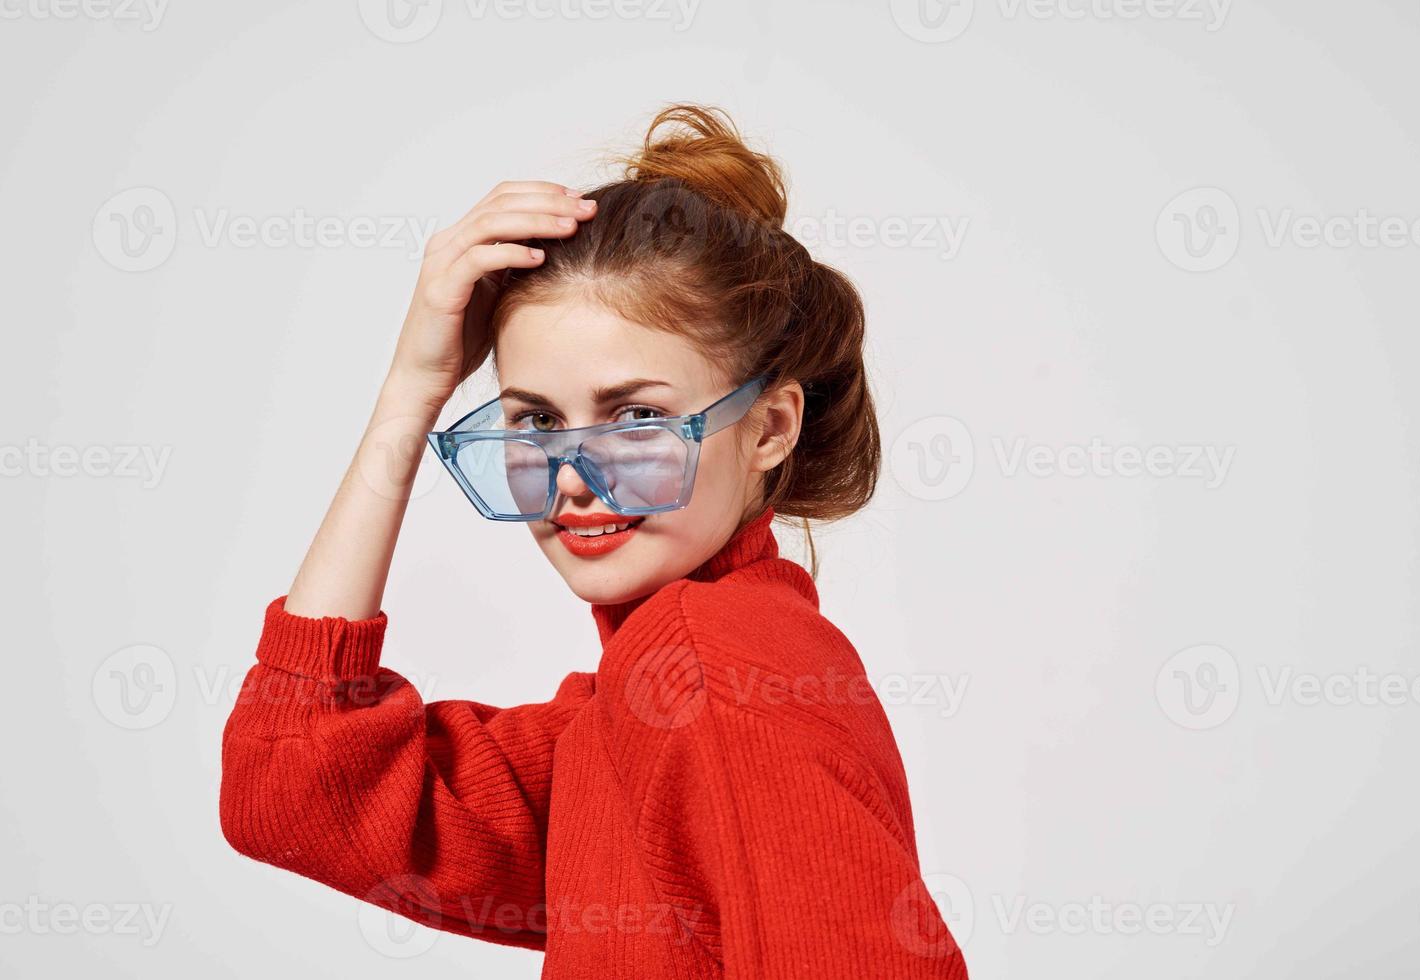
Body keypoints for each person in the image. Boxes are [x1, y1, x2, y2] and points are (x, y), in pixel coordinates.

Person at [218, 103, 969, 979]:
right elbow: (292, 784)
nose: (573, 476)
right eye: (535, 420)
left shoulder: (713, 672)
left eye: (637, 417)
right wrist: (412, 390)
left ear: (769, 426)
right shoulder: (631, 708)